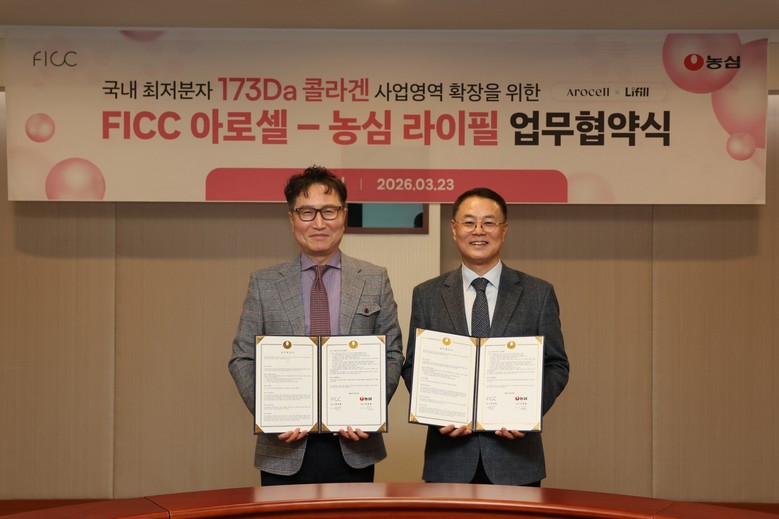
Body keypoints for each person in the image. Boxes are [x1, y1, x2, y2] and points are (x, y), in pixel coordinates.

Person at [228, 165, 404, 486]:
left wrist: (369, 410)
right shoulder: (264, 283)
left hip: (354, 445)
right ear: (292, 219)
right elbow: (242, 358)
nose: (319, 223)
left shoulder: (374, 279)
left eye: (329, 211)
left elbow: (392, 354)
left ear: (344, 216)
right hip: (283, 448)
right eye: (307, 212)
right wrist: (270, 415)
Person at [401, 187, 569, 486]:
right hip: (448, 460)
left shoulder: (538, 293)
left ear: (504, 230)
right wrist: (435, 415)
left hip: (516, 460)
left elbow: (556, 365)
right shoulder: (427, 295)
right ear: (454, 229)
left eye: (489, 222)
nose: (478, 231)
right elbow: (413, 366)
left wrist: (528, 412)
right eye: (469, 222)